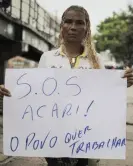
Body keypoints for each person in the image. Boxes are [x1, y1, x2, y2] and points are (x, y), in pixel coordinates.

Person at [0, 5, 133, 166]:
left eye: (79, 23)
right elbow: (35, 94)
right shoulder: (47, 58)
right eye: (68, 22)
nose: (73, 27)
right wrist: (9, 93)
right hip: (54, 135)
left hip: (85, 136)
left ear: (87, 28)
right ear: (61, 27)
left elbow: (101, 94)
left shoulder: (96, 60)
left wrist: (120, 84)